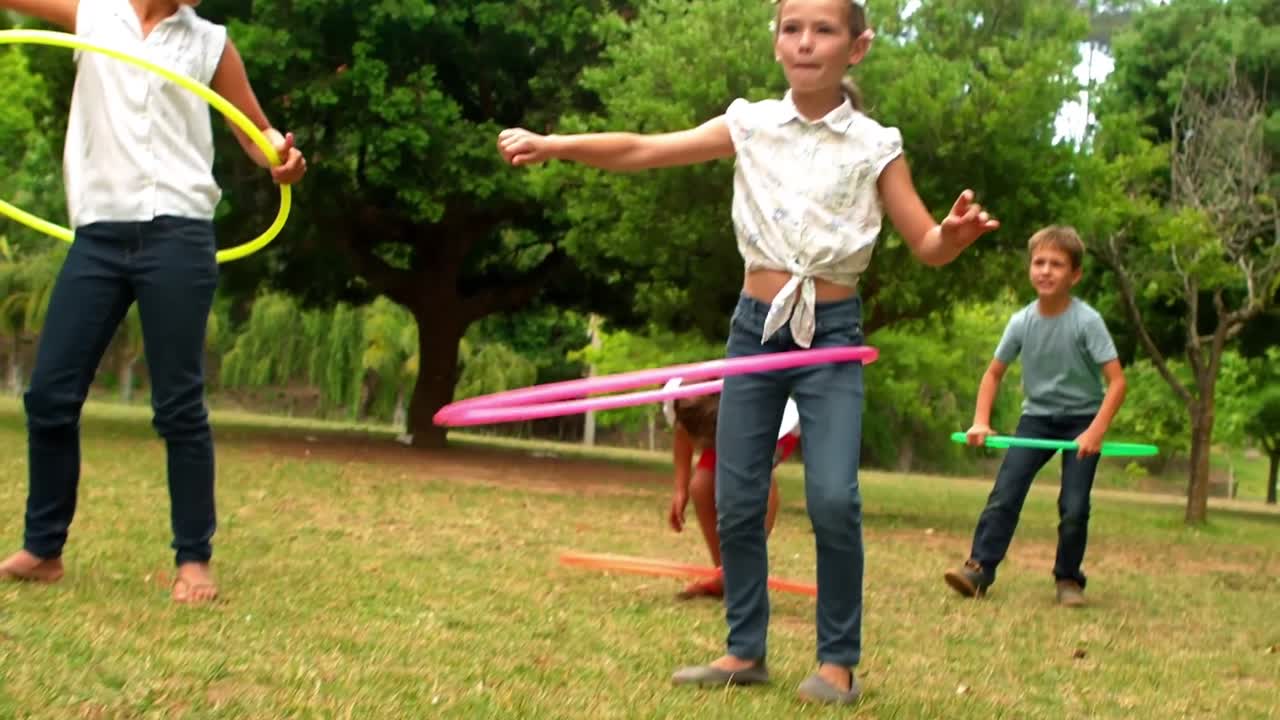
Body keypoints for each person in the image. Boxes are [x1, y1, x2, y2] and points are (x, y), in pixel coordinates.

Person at [497, 0, 998, 704]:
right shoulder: (750, 124)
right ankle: (744, 650)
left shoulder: (876, 144)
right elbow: (645, 148)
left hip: (832, 336)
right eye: (792, 28)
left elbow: (926, 246)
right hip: (753, 328)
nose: (805, 42)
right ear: (776, 43)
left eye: (824, 29)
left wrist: (954, 233)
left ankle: (837, 663)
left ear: (857, 48)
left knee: (832, 497)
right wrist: (554, 143)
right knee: (734, 497)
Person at [0, 0, 307, 604]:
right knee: (51, 395)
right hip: (98, 234)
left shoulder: (210, 42)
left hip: (178, 234)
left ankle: (194, 559)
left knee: (178, 406)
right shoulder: (91, 13)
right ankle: (43, 550)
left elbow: (254, 128)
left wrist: (282, 158)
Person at [945, 226, 1127, 608]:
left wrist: (1094, 432)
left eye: (1056, 264)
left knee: (1074, 505)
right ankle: (978, 570)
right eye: (1039, 262)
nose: (1045, 270)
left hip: (1082, 421)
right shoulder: (1021, 322)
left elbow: (1117, 383)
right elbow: (993, 373)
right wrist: (981, 420)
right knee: (1005, 494)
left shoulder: (1087, 321)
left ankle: (1068, 580)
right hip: (1037, 419)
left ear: (1074, 275)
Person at [663, 378, 800, 600]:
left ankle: (744, 567)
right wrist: (681, 489)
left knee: (751, 482)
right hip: (725, 419)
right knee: (701, 486)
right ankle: (726, 575)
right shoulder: (681, 399)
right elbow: (682, 433)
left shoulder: (754, 411)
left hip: (771, 429)